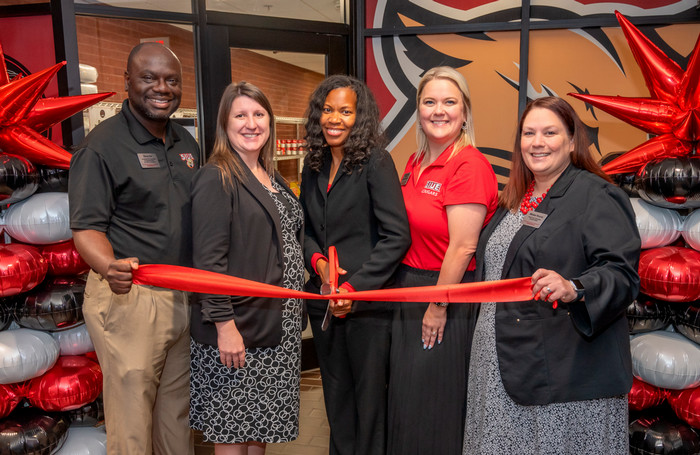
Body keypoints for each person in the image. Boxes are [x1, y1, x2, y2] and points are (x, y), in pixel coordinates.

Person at [463, 96, 640, 454]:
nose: (537, 142)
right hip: (499, 366)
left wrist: (575, 287)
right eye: (529, 133)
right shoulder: (515, 198)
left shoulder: (597, 194)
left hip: (562, 375)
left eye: (550, 132)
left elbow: (622, 274)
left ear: (572, 141)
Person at [68, 42, 199, 454]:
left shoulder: (185, 143)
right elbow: (86, 227)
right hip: (130, 297)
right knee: (132, 428)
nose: (162, 87)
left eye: (171, 80)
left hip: (181, 296)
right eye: (149, 78)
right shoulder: (101, 146)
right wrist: (109, 266)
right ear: (127, 81)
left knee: (175, 418)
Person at [189, 81, 304, 455]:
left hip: (275, 329)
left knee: (259, 432)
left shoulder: (272, 177)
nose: (251, 123)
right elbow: (208, 263)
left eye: (258, 114)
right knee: (233, 434)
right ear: (224, 124)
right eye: (240, 115)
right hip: (239, 330)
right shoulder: (217, 177)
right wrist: (224, 326)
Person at [387, 66, 498, 455]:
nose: (439, 110)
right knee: (408, 400)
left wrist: (437, 304)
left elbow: (463, 247)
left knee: (434, 406)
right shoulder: (414, 162)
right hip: (409, 291)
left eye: (450, 102)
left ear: (465, 112)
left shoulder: (468, 164)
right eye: (429, 101)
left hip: (444, 295)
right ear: (417, 110)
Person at [300, 74, 410, 455]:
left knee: (368, 404)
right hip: (323, 303)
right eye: (328, 110)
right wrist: (319, 265)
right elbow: (306, 229)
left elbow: (397, 236)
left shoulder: (376, 162)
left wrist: (353, 287)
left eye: (345, 111)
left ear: (359, 117)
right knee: (337, 399)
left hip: (366, 306)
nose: (335, 119)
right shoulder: (312, 165)